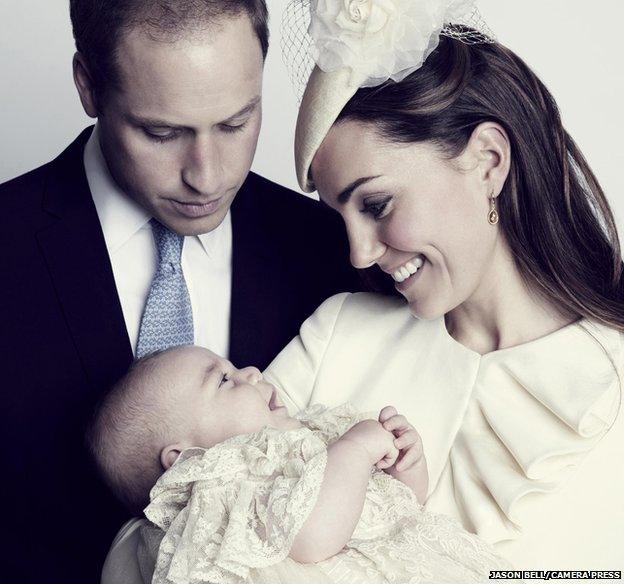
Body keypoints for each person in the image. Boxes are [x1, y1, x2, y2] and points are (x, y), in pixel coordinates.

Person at [0, 1, 357, 581]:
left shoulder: (332, 249)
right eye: (162, 133)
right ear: (88, 87)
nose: (208, 176)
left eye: (236, 123)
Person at [265, 0, 624, 573]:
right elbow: (189, 520)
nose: (358, 252)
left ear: (488, 160)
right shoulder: (337, 334)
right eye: (342, 217)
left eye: (376, 204)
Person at [88, 345, 509, 583]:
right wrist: (357, 453)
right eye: (223, 380)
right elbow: (312, 534)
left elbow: (391, 514)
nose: (251, 371)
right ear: (185, 461)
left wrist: (402, 470)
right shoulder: (226, 487)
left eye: (232, 367)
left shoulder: (309, 436)